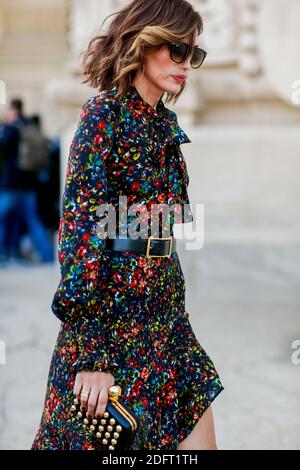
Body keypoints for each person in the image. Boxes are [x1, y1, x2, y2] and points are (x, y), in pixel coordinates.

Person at [31, 0, 224, 450]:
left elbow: (165, 226)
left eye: (193, 55)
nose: (185, 66)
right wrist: (91, 354)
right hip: (113, 326)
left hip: (166, 320)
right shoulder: (104, 117)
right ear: (144, 41)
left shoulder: (164, 125)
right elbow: (82, 235)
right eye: (177, 50)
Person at [0, 100, 54, 263]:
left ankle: (3, 252)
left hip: (12, 184)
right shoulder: (30, 126)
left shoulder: (11, 129)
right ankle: (48, 256)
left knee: (1, 218)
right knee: (33, 220)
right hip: (29, 184)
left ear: (12, 110)